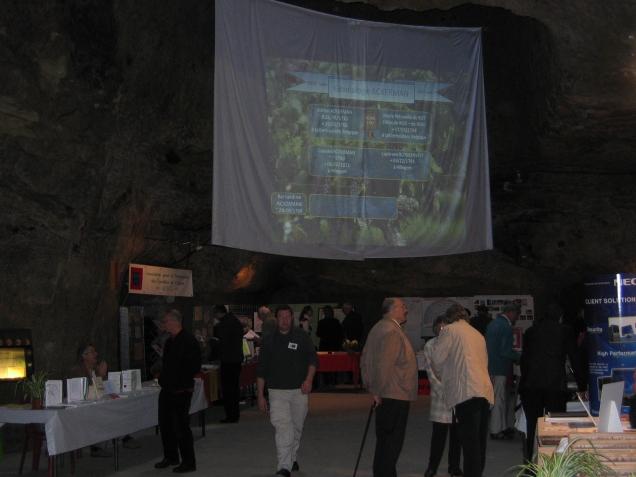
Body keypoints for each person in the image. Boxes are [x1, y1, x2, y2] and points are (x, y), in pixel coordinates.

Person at [432, 304, 493, 477]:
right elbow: (485, 362)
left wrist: (445, 377)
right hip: (483, 390)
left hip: (465, 391)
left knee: (469, 442)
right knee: (479, 441)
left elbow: (436, 360)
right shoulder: (477, 334)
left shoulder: (449, 331)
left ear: (449, 318)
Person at [519, 303, 586, 460]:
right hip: (554, 385)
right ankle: (552, 460)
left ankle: (530, 462)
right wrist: (582, 385)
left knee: (532, 425)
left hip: (531, 385)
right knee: (555, 424)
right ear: (560, 317)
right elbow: (575, 358)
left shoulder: (530, 332)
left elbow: (524, 360)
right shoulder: (565, 331)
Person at [257, 305, 317, 477]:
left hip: (299, 391)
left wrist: (308, 380)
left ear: (292, 318)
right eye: (281, 316)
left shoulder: (301, 336)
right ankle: (284, 466)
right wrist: (260, 395)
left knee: (297, 427)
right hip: (277, 392)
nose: (284, 320)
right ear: (276, 319)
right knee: (283, 428)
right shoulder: (268, 340)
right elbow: (261, 370)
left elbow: (313, 360)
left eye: (287, 316)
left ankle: (292, 456)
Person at [361, 298, 418, 477]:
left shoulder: (379, 327)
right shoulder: (391, 331)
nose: (406, 310)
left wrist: (371, 386)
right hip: (394, 393)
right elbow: (385, 364)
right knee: (391, 442)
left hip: (388, 392)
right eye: (402, 307)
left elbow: (365, 359)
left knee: (386, 441)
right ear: (392, 309)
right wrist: (377, 390)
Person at [154, 309, 201, 474]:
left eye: (166, 321)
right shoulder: (169, 342)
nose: (164, 324)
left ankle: (189, 461)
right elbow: (167, 364)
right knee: (165, 424)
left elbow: (194, 366)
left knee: (181, 427)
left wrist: (178, 379)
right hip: (167, 389)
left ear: (175, 322)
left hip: (181, 390)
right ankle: (171, 456)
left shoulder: (189, 341)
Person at [422, 316, 462, 477]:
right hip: (440, 397)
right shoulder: (430, 346)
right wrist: (444, 391)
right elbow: (430, 372)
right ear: (436, 329)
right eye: (441, 329)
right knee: (438, 436)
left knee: (456, 435)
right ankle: (432, 466)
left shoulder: (457, 345)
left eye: (447, 328)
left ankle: (454, 466)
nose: (443, 331)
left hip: (458, 396)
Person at [485, 302, 521, 440]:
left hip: (491, 366)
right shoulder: (505, 326)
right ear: (511, 313)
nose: (516, 318)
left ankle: (502, 427)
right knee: (498, 399)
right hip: (500, 368)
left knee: (497, 398)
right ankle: (496, 430)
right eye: (517, 315)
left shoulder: (493, 324)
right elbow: (505, 351)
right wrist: (518, 356)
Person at [213, 304, 244, 423]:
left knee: (228, 389)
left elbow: (223, 343)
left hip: (228, 360)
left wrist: (214, 344)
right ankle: (234, 414)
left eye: (215, 314)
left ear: (218, 313)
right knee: (234, 388)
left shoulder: (224, 324)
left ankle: (231, 415)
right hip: (236, 359)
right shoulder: (235, 321)